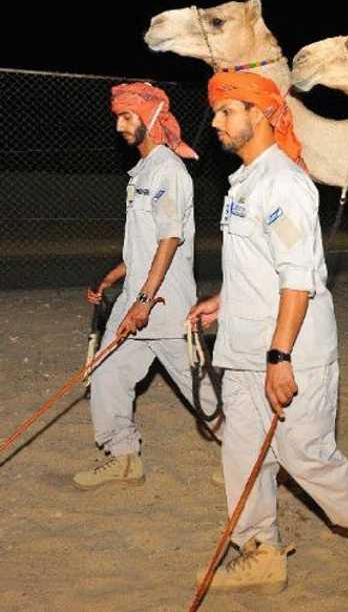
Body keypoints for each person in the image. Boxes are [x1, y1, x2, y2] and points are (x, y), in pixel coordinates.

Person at [188, 71, 348, 595]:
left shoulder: (283, 184)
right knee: (243, 456)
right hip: (243, 348)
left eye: (227, 111)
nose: (216, 122)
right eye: (216, 111)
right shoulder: (246, 180)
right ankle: (260, 551)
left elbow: (299, 278)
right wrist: (225, 300)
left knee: (307, 458)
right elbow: (262, 265)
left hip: (290, 353)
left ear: (259, 114)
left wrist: (279, 355)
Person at [73, 83, 218, 490]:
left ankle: (256, 453)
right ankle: (123, 457)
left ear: (151, 119)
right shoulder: (144, 172)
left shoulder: (168, 171)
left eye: (127, 116)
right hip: (138, 297)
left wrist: (143, 300)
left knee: (201, 393)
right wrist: (113, 276)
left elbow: (170, 239)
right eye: (117, 116)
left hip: (163, 305)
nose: (119, 124)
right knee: (106, 374)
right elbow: (146, 243)